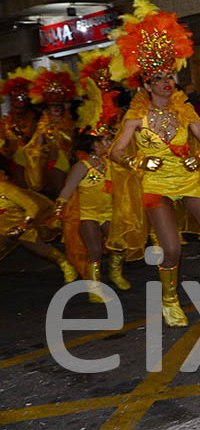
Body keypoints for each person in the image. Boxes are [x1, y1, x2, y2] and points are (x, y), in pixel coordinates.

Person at [108, 0, 200, 327]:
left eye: (169, 76)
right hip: (155, 185)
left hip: (187, 179)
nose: (166, 83)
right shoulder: (136, 116)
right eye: (159, 78)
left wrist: (199, 158)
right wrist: (139, 163)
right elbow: (116, 152)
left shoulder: (184, 110)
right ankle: (170, 300)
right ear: (146, 84)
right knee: (172, 248)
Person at [54, 75, 130, 303]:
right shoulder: (82, 165)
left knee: (119, 244)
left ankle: (116, 273)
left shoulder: (111, 163)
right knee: (95, 251)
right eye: (106, 141)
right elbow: (68, 188)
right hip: (88, 215)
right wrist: (58, 210)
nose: (109, 144)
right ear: (95, 145)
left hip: (109, 213)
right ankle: (94, 288)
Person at [0, 169, 77, 284]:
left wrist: (23, 225)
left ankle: (65, 264)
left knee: (42, 250)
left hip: (20, 229)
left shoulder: (7, 189)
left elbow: (31, 206)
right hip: (2, 230)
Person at [23, 65, 77, 198]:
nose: (56, 109)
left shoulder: (70, 123)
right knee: (57, 194)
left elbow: (74, 141)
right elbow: (36, 146)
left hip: (70, 161)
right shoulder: (43, 125)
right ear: (47, 107)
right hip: (52, 162)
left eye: (58, 105)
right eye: (53, 106)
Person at [0, 67, 38, 188]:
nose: (17, 110)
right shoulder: (6, 121)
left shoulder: (35, 120)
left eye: (20, 108)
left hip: (33, 162)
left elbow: (32, 141)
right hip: (11, 165)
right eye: (15, 107)